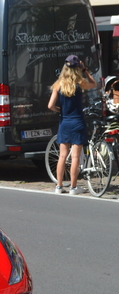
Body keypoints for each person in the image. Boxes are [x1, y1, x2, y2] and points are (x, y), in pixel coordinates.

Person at [48, 55, 97, 195]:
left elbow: (50, 105)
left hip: (65, 122)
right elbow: (94, 84)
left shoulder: (58, 84)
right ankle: (73, 187)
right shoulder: (80, 82)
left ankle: (59, 186)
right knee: (75, 156)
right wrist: (86, 70)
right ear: (77, 69)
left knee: (62, 156)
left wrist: (60, 110)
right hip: (78, 122)